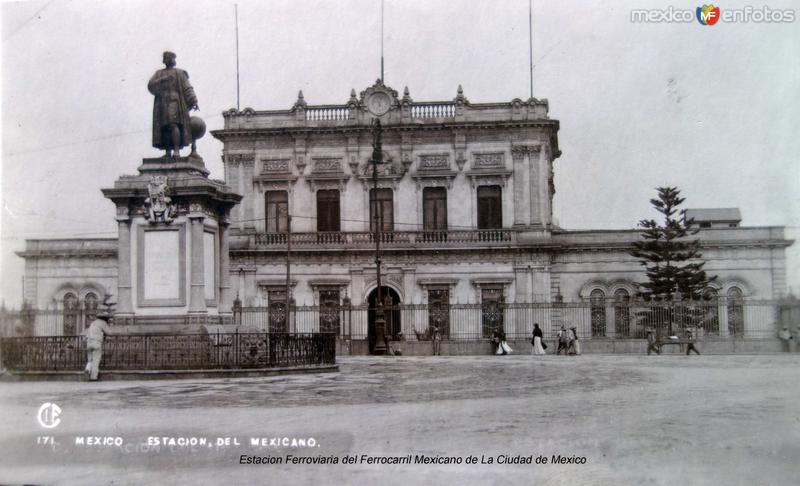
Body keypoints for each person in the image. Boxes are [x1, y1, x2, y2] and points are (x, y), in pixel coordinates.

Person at [148, 51, 199, 158]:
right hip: (162, 102)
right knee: (164, 127)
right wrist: (162, 79)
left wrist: (194, 100)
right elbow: (151, 85)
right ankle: (167, 151)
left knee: (173, 124)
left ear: (173, 59)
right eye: (165, 58)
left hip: (174, 101)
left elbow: (187, 88)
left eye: (168, 58)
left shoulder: (180, 73)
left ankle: (176, 150)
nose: (166, 60)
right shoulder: (159, 73)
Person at [84, 311, 114, 381]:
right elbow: (109, 332)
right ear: (105, 318)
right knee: (96, 360)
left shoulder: (93, 323)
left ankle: (87, 369)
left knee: (90, 360)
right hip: (96, 343)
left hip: (89, 343)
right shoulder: (103, 323)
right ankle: (93, 377)